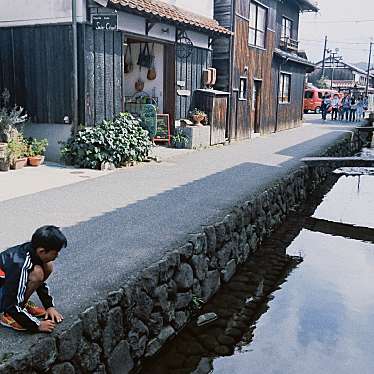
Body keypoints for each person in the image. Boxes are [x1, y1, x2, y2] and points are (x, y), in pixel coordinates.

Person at [0, 225, 66, 332]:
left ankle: (21, 305)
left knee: (47, 266)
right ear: (42, 251)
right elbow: (10, 303)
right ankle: (7, 315)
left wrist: (49, 306)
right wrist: (36, 325)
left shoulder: (33, 252)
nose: (57, 255)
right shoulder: (19, 264)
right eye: (55, 252)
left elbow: (40, 284)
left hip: (7, 289)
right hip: (6, 299)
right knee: (37, 273)